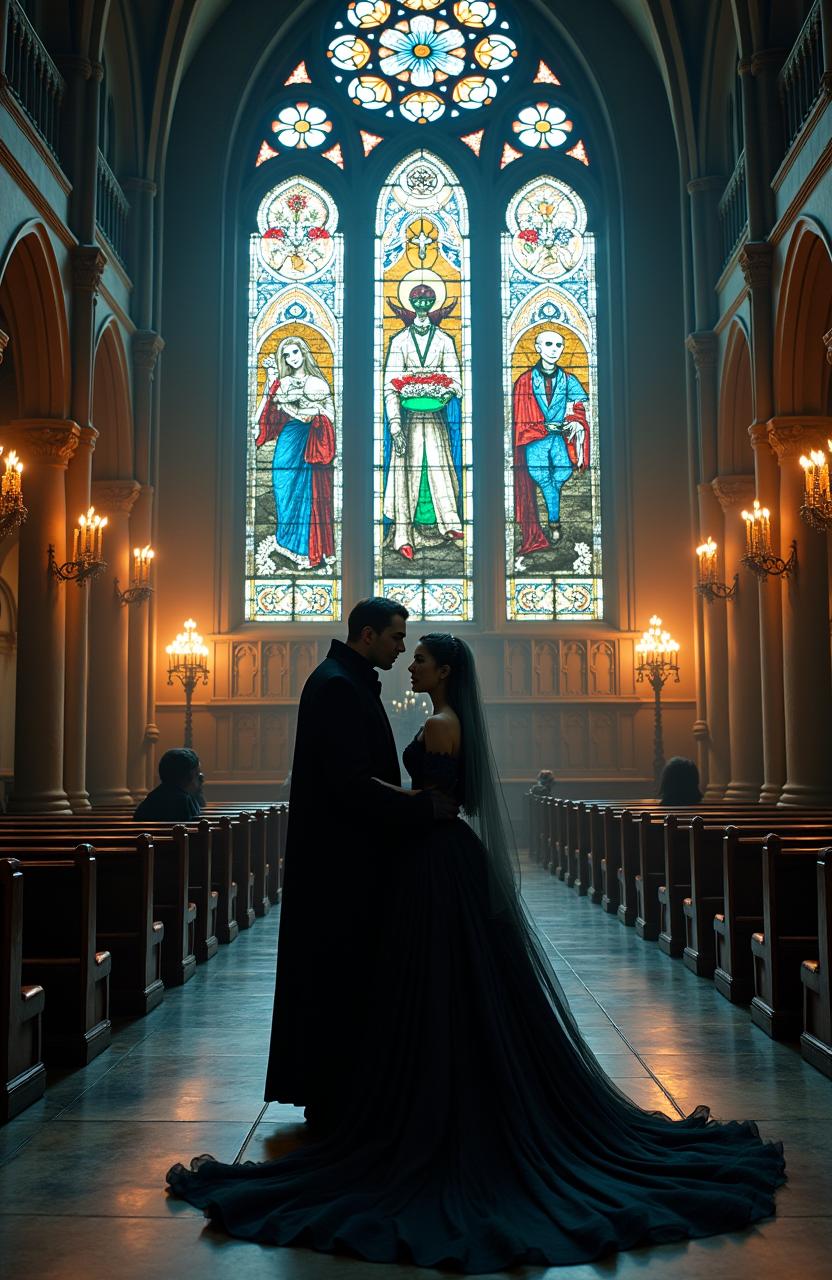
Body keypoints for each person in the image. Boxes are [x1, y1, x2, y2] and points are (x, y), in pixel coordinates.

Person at [167, 635, 784, 1270]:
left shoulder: (440, 724)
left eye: (422, 658)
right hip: (438, 853)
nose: (411, 661)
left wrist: (401, 805)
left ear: (446, 670)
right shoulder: (442, 717)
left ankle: (434, 1091)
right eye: (406, 649)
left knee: (440, 976)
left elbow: (434, 800)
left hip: (434, 857)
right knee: (452, 977)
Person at [262, 597, 456, 1132]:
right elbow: (347, 783)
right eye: (396, 638)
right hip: (338, 867)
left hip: (349, 858)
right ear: (367, 636)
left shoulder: (346, 680)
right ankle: (331, 1092)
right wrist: (418, 805)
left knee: (343, 978)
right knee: (334, 976)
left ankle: (340, 1089)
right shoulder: (337, 686)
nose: (401, 650)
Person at [383, 283, 463, 560]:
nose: (421, 306)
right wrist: (394, 423)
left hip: (436, 419)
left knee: (437, 469)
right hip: (408, 421)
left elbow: (456, 379)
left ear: (432, 304)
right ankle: (404, 536)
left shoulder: (444, 340)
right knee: (408, 474)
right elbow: (390, 385)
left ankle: (448, 524)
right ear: (411, 304)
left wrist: (443, 389)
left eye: (427, 300)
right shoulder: (399, 342)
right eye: (417, 300)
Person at [254, 335, 336, 571]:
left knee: (307, 494)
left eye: (295, 353)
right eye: (286, 355)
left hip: (309, 440)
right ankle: (285, 543)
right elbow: (265, 413)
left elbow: (330, 414)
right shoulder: (283, 383)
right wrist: (270, 384)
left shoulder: (318, 383)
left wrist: (311, 409)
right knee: (283, 488)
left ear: (304, 353)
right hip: (289, 440)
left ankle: (307, 550)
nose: (291, 358)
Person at [513, 328, 590, 558]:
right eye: (548, 344)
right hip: (535, 440)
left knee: (563, 472)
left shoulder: (569, 379)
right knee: (543, 478)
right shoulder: (525, 381)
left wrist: (575, 422)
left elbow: (581, 406)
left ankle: (554, 521)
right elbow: (519, 415)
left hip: (559, 439)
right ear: (537, 348)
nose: (554, 350)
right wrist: (541, 427)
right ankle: (554, 524)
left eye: (558, 345)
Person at [134, 748, 201, 822]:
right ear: (189, 776)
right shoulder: (184, 802)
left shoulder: (152, 797)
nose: (198, 778)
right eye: (197, 774)